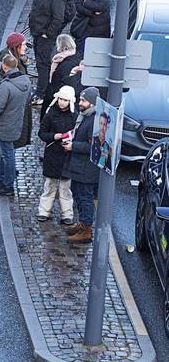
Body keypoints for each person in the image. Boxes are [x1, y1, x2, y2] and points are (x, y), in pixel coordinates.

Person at [0, 54, 31, 196]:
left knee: (7, 155)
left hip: (4, 125)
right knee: (7, 153)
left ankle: (7, 184)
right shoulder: (26, 81)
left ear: (4, 66)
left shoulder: (6, 86)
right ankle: (1, 177)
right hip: (16, 123)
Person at [62, 86, 99, 244]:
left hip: (87, 169)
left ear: (92, 103)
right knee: (78, 195)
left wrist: (73, 146)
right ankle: (82, 224)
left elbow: (94, 147)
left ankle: (86, 230)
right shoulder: (86, 115)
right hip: (79, 167)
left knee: (85, 198)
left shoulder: (94, 121)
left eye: (83, 100)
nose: (80, 102)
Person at [29, 0, 70, 104]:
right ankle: (42, 89)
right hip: (38, 33)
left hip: (44, 36)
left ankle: (41, 93)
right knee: (41, 63)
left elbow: (58, 17)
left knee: (43, 64)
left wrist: (48, 34)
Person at [38, 86, 77, 225]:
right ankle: (44, 211)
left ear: (70, 101)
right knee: (49, 185)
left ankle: (66, 214)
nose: (62, 102)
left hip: (67, 156)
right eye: (61, 99)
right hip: (53, 155)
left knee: (65, 189)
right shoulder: (50, 114)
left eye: (65, 100)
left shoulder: (75, 117)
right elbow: (41, 133)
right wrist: (54, 136)